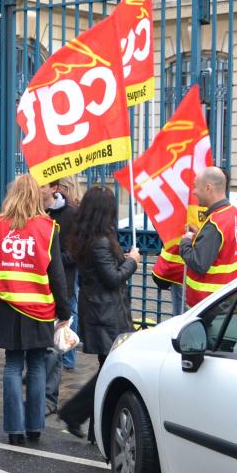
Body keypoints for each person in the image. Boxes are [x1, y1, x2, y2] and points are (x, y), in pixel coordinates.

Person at [0, 174, 72, 446]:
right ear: (37, 196)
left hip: (7, 304)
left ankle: (14, 430)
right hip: (39, 307)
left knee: (11, 365)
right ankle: (35, 427)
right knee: (36, 366)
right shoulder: (48, 228)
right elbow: (57, 274)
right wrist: (65, 310)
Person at [56, 186, 140, 441]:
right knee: (109, 373)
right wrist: (133, 261)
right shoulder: (100, 241)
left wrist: (122, 259)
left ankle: (93, 429)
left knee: (108, 371)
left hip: (99, 311)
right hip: (106, 315)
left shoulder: (91, 236)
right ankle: (75, 414)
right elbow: (113, 279)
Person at [180, 166, 237, 308]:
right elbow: (225, 249)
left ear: (208, 188)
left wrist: (185, 242)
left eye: (195, 187)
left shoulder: (215, 223)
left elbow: (199, 264)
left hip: (211, 304)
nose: (193, 192)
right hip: (233, 296)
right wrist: (201, 234)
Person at [41, 176, 81, 414]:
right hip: (35, 287)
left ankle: (49, 398)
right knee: (39, 346)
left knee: (55, 347)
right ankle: (39, 385)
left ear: (54, 189)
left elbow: (74, 254)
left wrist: (48, 257)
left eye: (42, 185)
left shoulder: (71, 215)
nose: (37, 188)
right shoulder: (32, 210)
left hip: (61, 285)